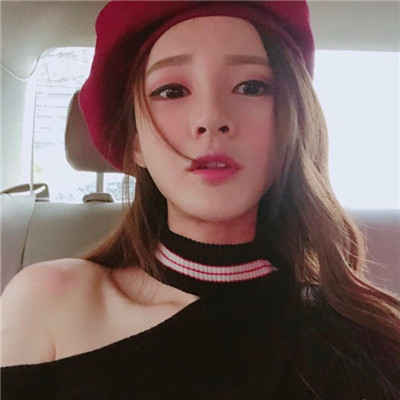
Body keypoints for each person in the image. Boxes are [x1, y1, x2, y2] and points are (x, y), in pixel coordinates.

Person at [1, 1, 399, 399]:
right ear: (135, 142)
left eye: (251, 87)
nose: (211, 117)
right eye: (171, 91)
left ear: (291, 125)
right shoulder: (48, 301)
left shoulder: (367, 347)